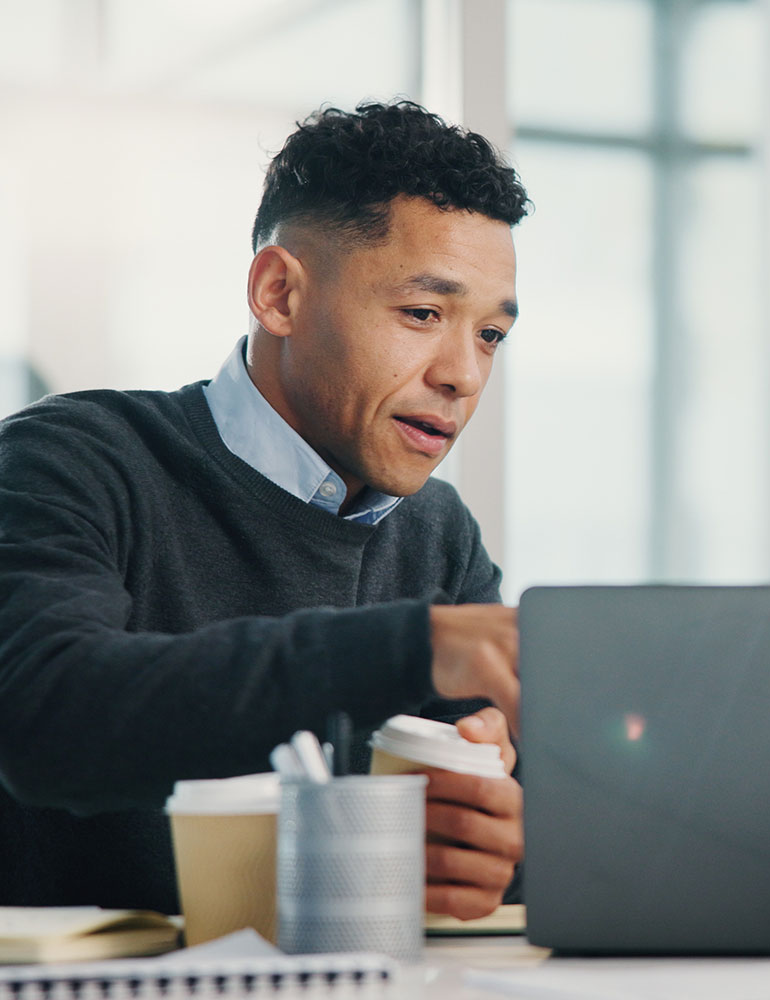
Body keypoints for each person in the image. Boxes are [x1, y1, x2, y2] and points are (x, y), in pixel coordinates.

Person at [0, 101, 528, 919]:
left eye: (491, 334)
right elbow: (49, 718)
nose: (463, 373)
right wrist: (415, 646)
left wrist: (492, 847)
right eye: (423, 314)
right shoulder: (72, 457)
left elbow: (496, 838)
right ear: (279, 294)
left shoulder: (438, 536)